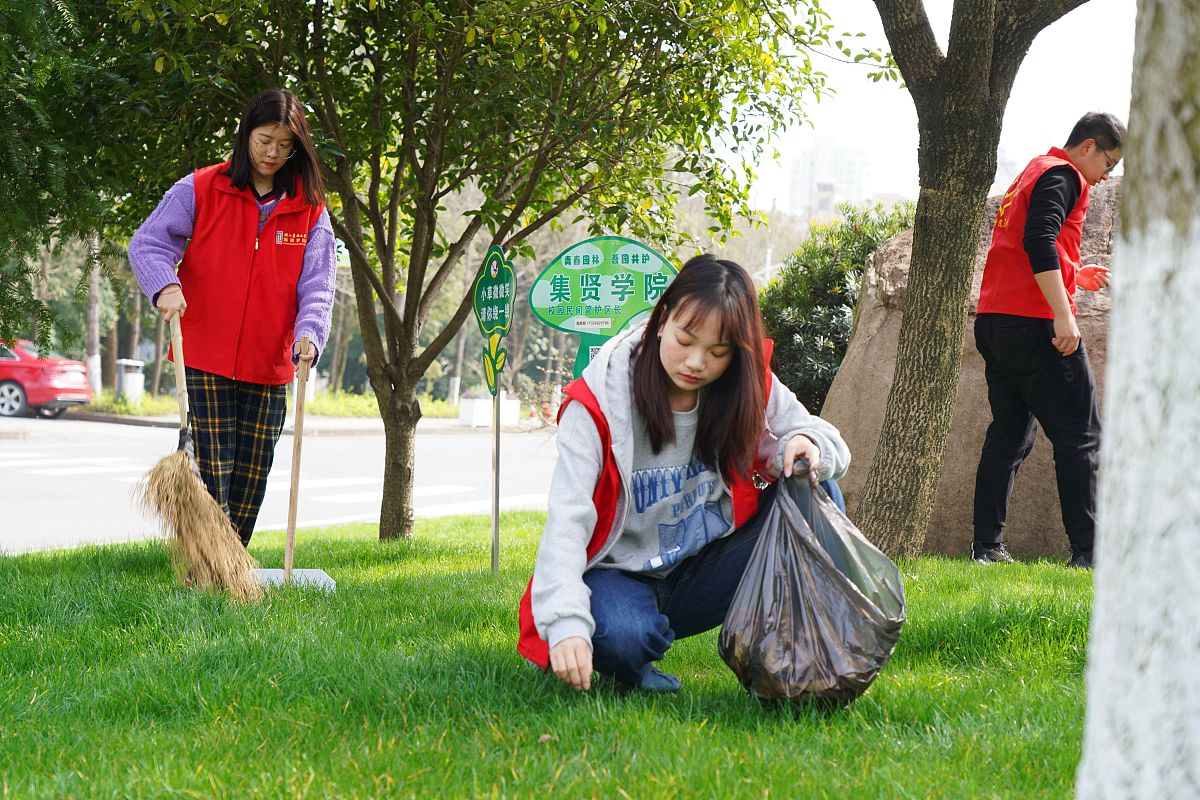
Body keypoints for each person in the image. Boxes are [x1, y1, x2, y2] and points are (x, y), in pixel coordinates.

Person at [517, 255, 851, 692]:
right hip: (620, 576)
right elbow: (568, 519)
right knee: (622, 637)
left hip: (706, 568)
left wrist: (802, 444)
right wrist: (565, 622)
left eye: (717, 352)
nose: (696, 363)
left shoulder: (745, 385)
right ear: (662, 319)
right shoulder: (599, 401)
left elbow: (820, 438)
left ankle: (801, 656)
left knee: (816, 480)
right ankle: (633, 662)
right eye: (685, 339)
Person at [129, 88, 336, 546]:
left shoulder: (310, 208)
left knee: (252, 469)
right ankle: (203, 566)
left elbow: (318, 284)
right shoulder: (202, 187)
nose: (272, 153)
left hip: (270, 360)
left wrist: (310, 335)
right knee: (208, 466)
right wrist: (165, 285)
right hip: (203, 352)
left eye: (285, 145)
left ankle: (229, 562)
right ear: (246, 135)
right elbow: (149, 243)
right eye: (265, 140)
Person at [971, 111, 1125, 569]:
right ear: (1088, 147)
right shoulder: (1066, 175)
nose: (1104, 177)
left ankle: (987, 548)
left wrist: (1076, 274)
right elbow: (1038, 240)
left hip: (996, 321)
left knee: (1010, 434)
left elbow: (1027, 242)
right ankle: (1089, 554)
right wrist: (1063, 316)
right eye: (1109, 164)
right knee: (1082, 434)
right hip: (1035, 323)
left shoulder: (1034, 170)